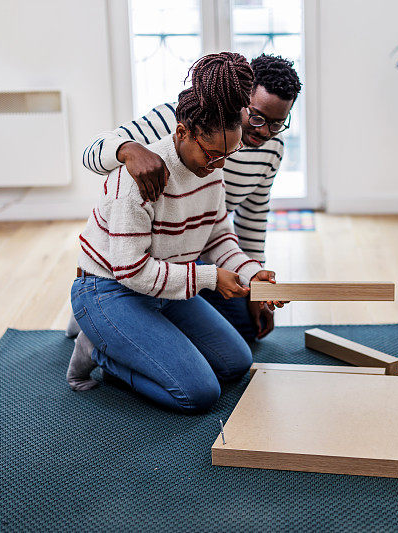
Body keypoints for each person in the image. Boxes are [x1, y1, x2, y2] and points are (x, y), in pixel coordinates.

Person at [67, 52, 285, 414]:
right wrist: (211, 278)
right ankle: (99, 350)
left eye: (227, 156)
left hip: (164, 286)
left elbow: (219, 237)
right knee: (199, 393)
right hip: (108, 289)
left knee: (236, 362)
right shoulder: (141, 176)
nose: (218, 167)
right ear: (182, 132)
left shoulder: (213, 168)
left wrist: (250, 271)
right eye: (213, 155)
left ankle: (143, 341)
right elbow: (131, 270)